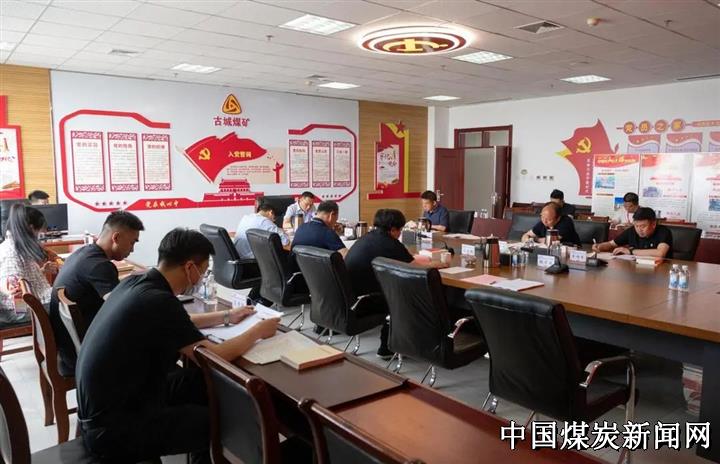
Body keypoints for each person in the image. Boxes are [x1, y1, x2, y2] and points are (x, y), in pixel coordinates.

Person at [76, 228, 280, 464]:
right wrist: (258, 331)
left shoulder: (138, 282)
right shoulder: (159, 300)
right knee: (223, 421)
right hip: (115, 427)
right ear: (190, 267)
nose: (202, 278)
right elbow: (214, 357)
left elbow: (182, 319)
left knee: (202, 383)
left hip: (114, 402)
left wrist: (227, 316)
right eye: (203, 271)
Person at [49, 210, 144, 375]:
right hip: (86, 356)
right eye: (132, 243)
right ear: (116, 238)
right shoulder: (100, 266)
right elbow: (123, 310)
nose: (132, 250)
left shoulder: (82, 254)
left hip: (70, 348)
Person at [345, 208, 449, 358]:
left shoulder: (367, 237)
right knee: (409, 297)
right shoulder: (390, 243)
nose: (400, 234)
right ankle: (388, 347)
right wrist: (438, 264)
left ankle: (393, 343)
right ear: (393, 229)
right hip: (366, 301)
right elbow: (415, 268)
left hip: (352, 297)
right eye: (400, 230)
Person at [0, 204, 57, 324]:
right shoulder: (10, 253)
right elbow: (14, 291)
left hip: (23, 306)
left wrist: (41, 271)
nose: (39, 237)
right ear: (31, 228)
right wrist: (34, 310)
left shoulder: (14, 246)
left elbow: (20, 279)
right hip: (18, 311)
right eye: (39, 232)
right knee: (71, 305)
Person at [592, 207, 672, 258]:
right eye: (636, 226)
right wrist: (600, 246)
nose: (639, 229)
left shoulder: (663, 231)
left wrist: (630, 251)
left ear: (653, 224)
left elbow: (660, 253)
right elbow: (611, 244)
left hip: (659, 270)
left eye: (643, 226)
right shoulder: (631, 231)